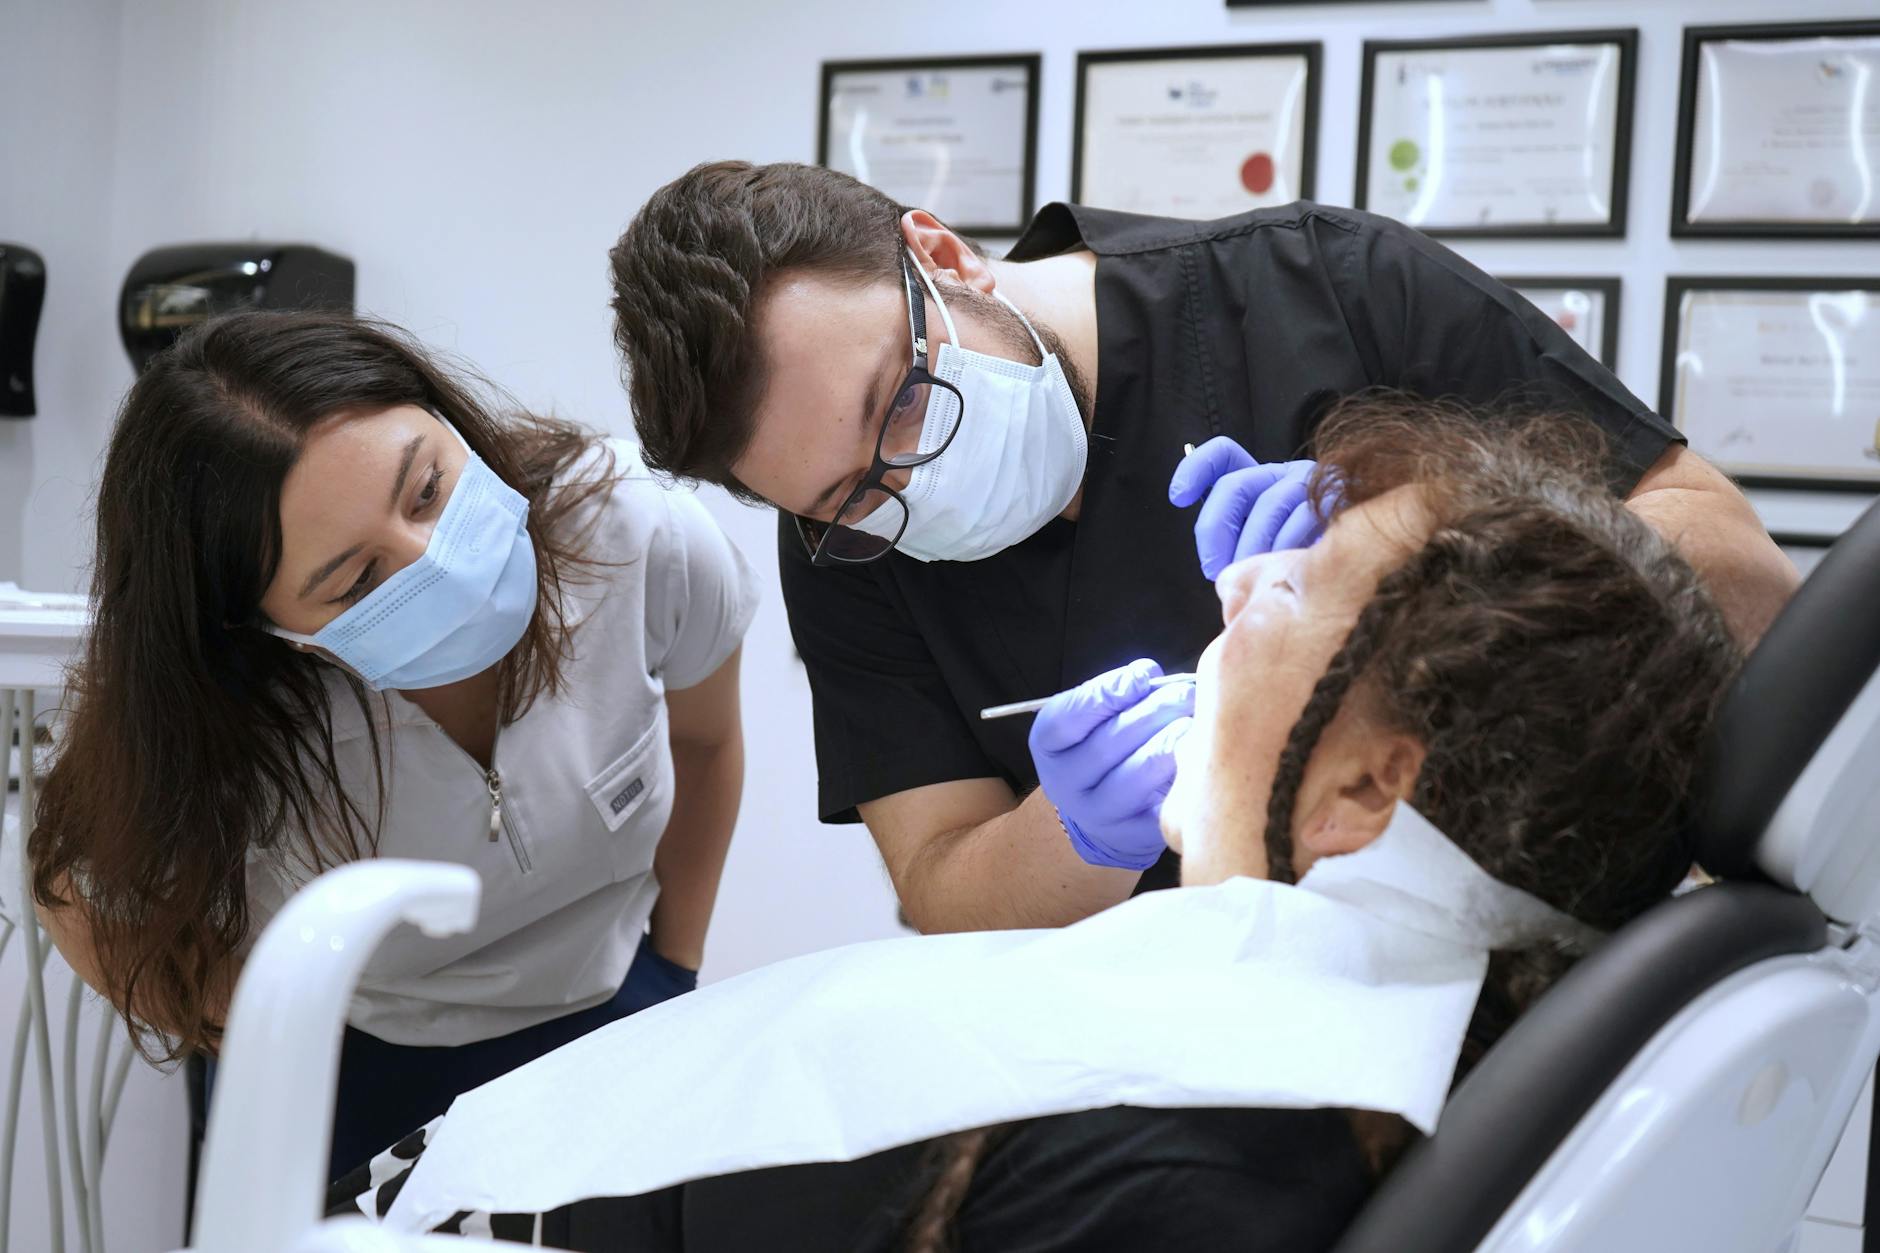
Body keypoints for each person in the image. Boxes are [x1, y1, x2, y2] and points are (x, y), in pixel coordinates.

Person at [323, 397, 1743, 1251]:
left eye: (1300, 584)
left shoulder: (1177, 1175)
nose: (1239, 590)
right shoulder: (1356, 1025)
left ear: (1370, 787)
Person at [606, 161, 1793, 935]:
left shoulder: (1321, 287)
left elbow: (1742, 581)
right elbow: (940, 888)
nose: (901, 484)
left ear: (941, 254)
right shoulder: (845, 552)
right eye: (848, 494)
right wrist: (1074, 832)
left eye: (900, 402)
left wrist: (1411, 542)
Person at [29, 310, 758, 1175]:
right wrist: (249, 1034)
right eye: (358, 578)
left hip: (609, 1007)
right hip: (366, 1065)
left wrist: (674, 968)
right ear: (271, 628)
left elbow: (706, 744)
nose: (433, 561)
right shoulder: (227, 707)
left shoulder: (633, 531)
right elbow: (78, 888)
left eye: (427, 490)